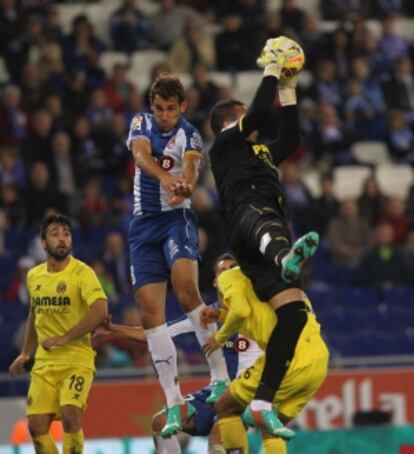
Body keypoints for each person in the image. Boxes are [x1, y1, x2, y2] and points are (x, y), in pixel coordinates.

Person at [208, 36, 320, 435]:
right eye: (243, 117)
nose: (254, 120)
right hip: (246, 218)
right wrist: (272, 69)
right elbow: (256, 112)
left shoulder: (262, 153)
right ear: (229, 123)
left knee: (293, 313)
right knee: (270, 228)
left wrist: (288, 89)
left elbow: (291, 140)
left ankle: (261, 401)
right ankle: (286, 258)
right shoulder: (224, 145)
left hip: (264, 236)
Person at [126, 73, 229, 437]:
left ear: (182, 107)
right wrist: (167, 181)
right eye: (159, 109)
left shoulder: (190, 133)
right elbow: (140, 156)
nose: (165, 116)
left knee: (187, 290)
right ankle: (173, 401)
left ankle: (219, 376)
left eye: (171, 109)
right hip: (143, 226)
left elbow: (192, 167)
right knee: (150, 314)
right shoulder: (140, 123)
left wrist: (184, 184)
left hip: (176, 219)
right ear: (151, 107)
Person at [94, 253, 264, 454]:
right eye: (223, 271)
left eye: (233, 270)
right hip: (214, 393)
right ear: (216, 282)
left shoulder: (256, 313)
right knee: (160, 422)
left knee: (219, 435)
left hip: (246, 392)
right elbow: (157, 335)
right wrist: (113, 329)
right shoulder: (203, 316)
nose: (228, 275)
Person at [200, 263, 329, 452]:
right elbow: (259, 319)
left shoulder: (230, 278)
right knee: (271, 428)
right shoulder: (280, 279)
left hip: (286, 358)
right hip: (318, 360)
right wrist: (220, 315)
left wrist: (219, 338)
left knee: (226, 406)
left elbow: (242, 312)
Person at [9, 214, 108, 454]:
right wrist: (25, 352)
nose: (62, 239)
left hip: (77, 359)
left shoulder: (82, 273)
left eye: (66, 233)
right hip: (45, 361)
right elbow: (34, 314)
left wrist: (65, 338)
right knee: (36, 425)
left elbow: (101, 310)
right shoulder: (34, 276)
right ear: (43, 243)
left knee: (70, 414)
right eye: (55, 234)